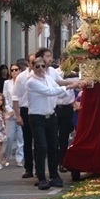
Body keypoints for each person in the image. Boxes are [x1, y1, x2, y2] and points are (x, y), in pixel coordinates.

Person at [26, 57, 78, 190]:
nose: (41, 69)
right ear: (32, 67)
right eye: (37, 66)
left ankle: (54, 176)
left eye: (43, 66)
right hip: (37, 117)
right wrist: (69, 86)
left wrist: (67, 88)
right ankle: (41, 177)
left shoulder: (48, 78)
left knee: (53, 147)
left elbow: (57, 92)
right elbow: (50, 92)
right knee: (42, 147)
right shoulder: (31, 82)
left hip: (51, 116)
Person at [13, 54, 36, 178]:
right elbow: (16, 97)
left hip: (38, 111)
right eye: (32, 62)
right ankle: (28, 168)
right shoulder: (21, 77)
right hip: (26, 110)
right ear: (28, 63)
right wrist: (18, 115)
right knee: (27, 140)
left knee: (39, 141)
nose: (34, 65)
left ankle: (39, 168)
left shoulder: (43, 75)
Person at [3, 64, 24, 167]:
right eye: (12, 70)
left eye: (16, 69)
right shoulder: (7, 83)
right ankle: (7, 156)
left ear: (20, 70)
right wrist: (8, 109)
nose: (14, 72)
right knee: (10, 137)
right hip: (11, 112)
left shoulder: (23, 82)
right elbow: (5, 97)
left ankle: (19, 158)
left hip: (20, 111)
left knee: (20, 137)